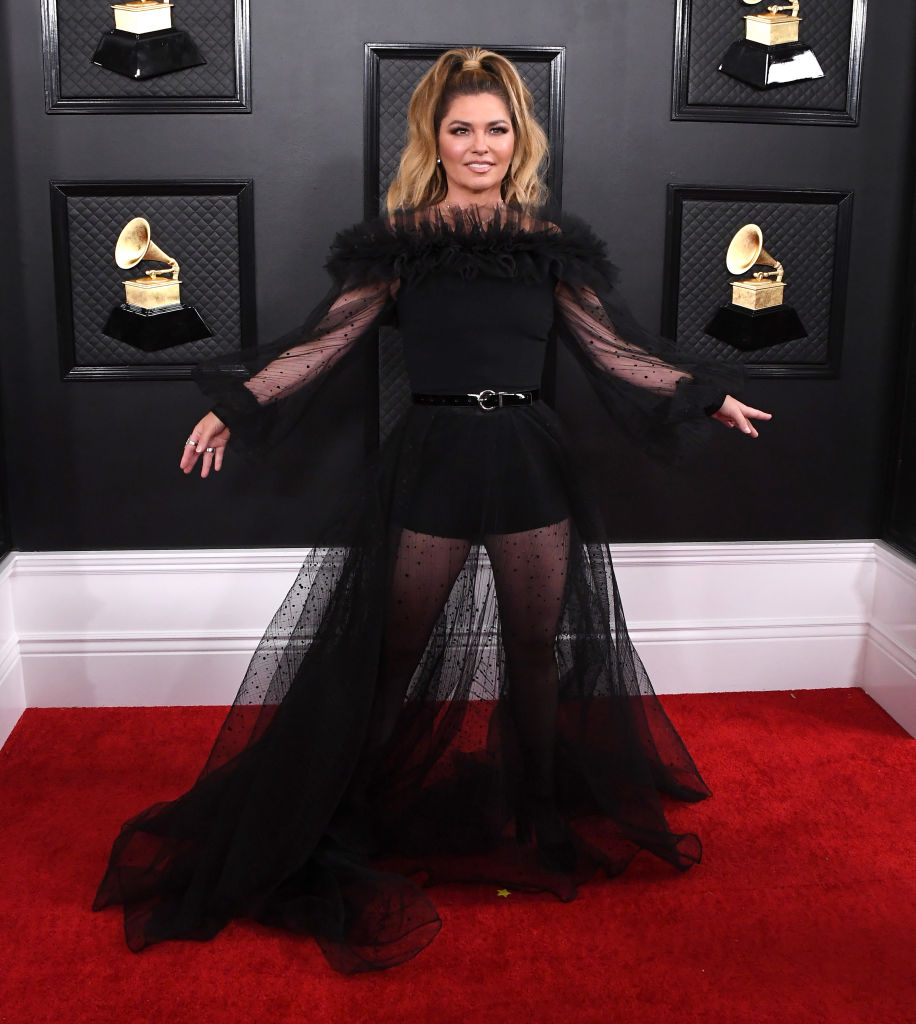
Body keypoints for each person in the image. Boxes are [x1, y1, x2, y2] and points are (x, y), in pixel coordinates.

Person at [93, 47, 771, 974]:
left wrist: (701, 392)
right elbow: (326, 341)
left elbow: (613, 351)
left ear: (517, 139)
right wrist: (237, 401)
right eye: (462, 130)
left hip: (528, 458)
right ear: (436, 141)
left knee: (538, 651)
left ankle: (536, 812)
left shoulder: (549, 244)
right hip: (436, 459)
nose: (480, 145)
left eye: (497, 129)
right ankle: (347, 814)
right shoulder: (401, 245)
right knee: (391, 655)